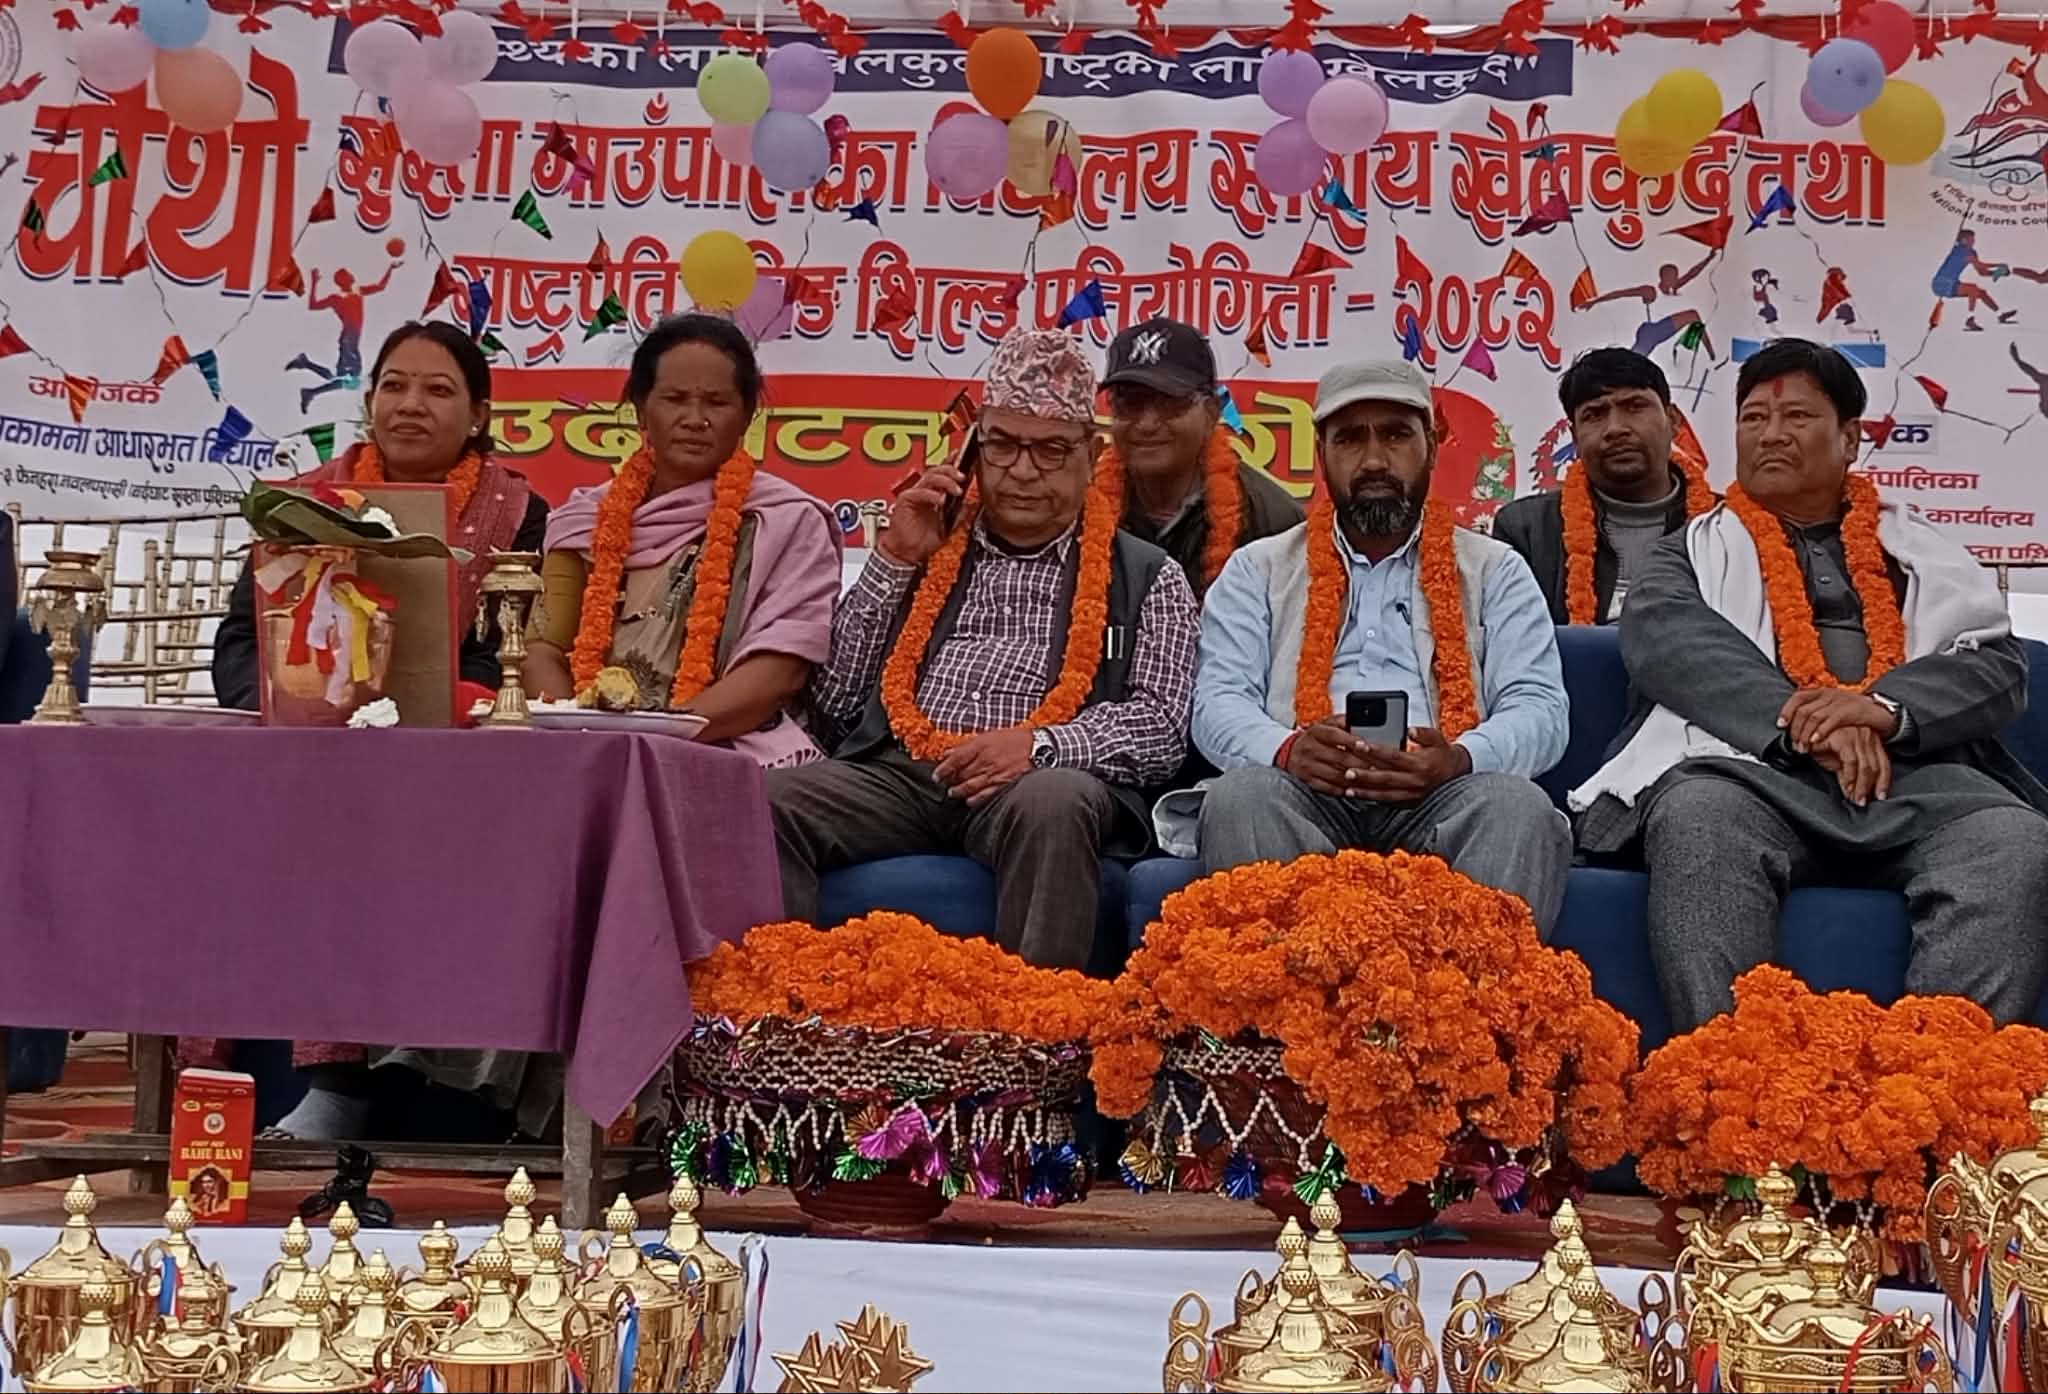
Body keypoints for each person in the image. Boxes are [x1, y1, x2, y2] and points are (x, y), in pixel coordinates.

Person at [1571, 338, 2048, 1032]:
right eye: (1753, 418)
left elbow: (1995, 666)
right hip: (1750, 775)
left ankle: (1942, 1078)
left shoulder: (1924, 556)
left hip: (1917, 785)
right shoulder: (1686, 555)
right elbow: (1670, 645)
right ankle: (1733, 1072)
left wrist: (1882, 711)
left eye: (1796, 416)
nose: (1770, 434)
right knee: (1700, 816)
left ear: (1850, 439)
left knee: (2013, 841)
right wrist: (1815, 725)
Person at [770, 326, 1200, 969]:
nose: (1022, 471)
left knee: (1056, 800)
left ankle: (1036, 1025)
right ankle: (775, 1011)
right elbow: (831, 707)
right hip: (903, 773)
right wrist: (893, 561)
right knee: (766, 803)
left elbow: (1161, 728)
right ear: (973, 448)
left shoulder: (1146, 574)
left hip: (1033, 782)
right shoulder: (926, 545)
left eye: (1051, 450)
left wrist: (1038, 746)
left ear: (1091, 455)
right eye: (1002, 445)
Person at [1187, 359, 1573, 936]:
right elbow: (1218, 703)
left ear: (1431, 447)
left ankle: (1462, 994)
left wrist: (1459, 759)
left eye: (1395, 435)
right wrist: (1289, 751)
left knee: (1517, 809)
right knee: (1242, 798)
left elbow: (1540, 708)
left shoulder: (1496, 570)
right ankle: (1289, 992)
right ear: (1321, 453)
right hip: (1305, 794)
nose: (1373, 460)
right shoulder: (1258, 570)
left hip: (1445, 797)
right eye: (1349, 438)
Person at [525, 313, 841, 767]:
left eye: (716, 402)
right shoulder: (584, 520)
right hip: (582, 751)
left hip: (729, 748)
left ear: (747, 415)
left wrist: (657, 741)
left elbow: (779, 672)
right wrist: (581, 741)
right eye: (674, 399)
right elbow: (542, 649)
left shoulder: (789, 521)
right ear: (640, 409)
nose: (695, 420)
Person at [214, 320, 549, 712]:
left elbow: (499, 653)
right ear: (370, 402)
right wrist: (280, 707)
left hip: (448, 733)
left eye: (438, 390)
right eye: (393, 386)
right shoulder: (304, 502)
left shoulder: (514, 511)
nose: (410, 405)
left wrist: (426, 713)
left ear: (478, 415)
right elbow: (243, 638)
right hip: (303, 728)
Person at [1493, 348, 1715, 625]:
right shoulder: (1526, 530)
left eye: (1635, 406)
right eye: (1595, 414)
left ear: (1673, 421)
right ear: (1575, 436)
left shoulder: (1724, 525)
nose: (1615, 429)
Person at [1101, 317, 1303, 599]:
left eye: (1169, 403)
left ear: (1211, 413)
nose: (1146, 424)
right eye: (1129, 402)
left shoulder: (1273, 520)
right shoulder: (1079, 509)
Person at [290, 263, 398, 414]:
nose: (352, 276)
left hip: (351, 340)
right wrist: (314, 281)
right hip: (348, 340)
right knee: (350, 381)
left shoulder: (358, 291)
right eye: (348, 275)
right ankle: (308, 382)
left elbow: (380, 286)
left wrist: (390, 269)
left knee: (344, 380)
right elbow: (313, 305)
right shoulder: (337, 298)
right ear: (345, 280)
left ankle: (306, 370)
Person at [1577, 250, 1717, 359]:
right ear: (1663, 277)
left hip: (1661, 331)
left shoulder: (1674, 287)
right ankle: (1711, 353)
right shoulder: (1651, 291)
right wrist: (1594, 301)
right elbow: (1623, 293)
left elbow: (1692, 274)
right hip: (1651, 331)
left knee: (1693, 316)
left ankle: (1710, 353)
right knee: (1692, 315)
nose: (1674, 280)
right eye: (1671, 277)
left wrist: (1709, 258)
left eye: (1675, 277)